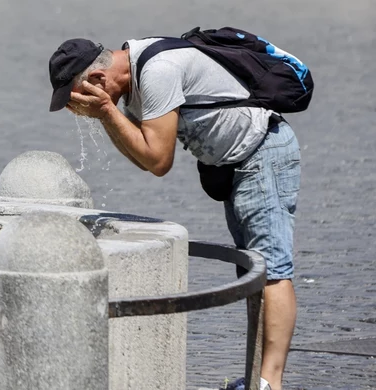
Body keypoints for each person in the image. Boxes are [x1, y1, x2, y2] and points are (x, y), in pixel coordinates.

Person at [48, 36, 302, 390]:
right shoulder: (135, 76)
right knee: (254, 269)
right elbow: (145, 159)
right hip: (241, 163)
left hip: (263, 154)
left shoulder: (157, 73)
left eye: (77, 97)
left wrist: (107, 112)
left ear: (97, 80)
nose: (78, 108)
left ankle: (269, 384)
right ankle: (258, 376)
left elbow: (158, 160)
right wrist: (111, 114)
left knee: (272, 270)